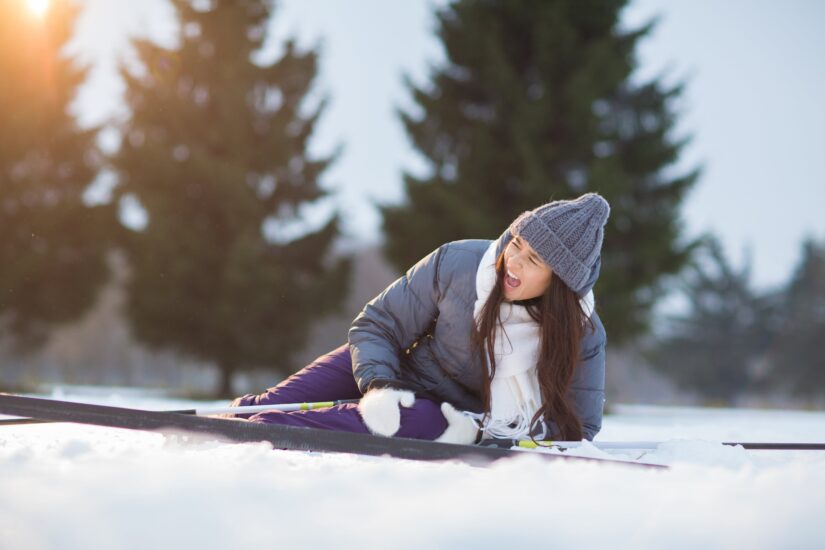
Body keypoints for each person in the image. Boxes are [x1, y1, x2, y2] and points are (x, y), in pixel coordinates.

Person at [227, 192, 610, 444]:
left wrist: (480, 434)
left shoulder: (583, 334)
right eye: (516, 244)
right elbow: (378, 324)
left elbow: (580, 427)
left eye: (533, 261)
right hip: (394, 370)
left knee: (393, 421)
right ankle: (235, 419)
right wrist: (380, 384)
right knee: (272, 402)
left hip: (450, 417)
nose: (513, 262)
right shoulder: (460, 265)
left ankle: (257, 433)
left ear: (560, 282)